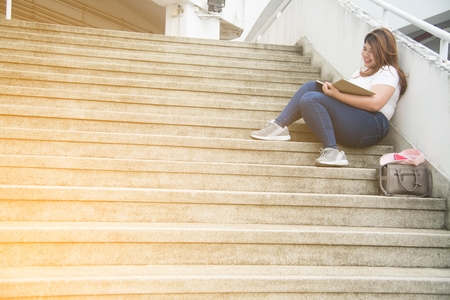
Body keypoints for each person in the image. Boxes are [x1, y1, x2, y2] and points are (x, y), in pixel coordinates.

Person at [250, 27, 407, 167]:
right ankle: (278, 126)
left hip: (373, 125)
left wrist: (337, 94)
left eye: (372, 51)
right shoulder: (360, 73)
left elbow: (375, 104)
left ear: (383, 52)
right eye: (365, 49)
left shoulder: (388, 71)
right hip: (355, 119)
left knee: (311, 98)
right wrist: (334, 92)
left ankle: (332, 151)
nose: (366, 54)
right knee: (311, 87)